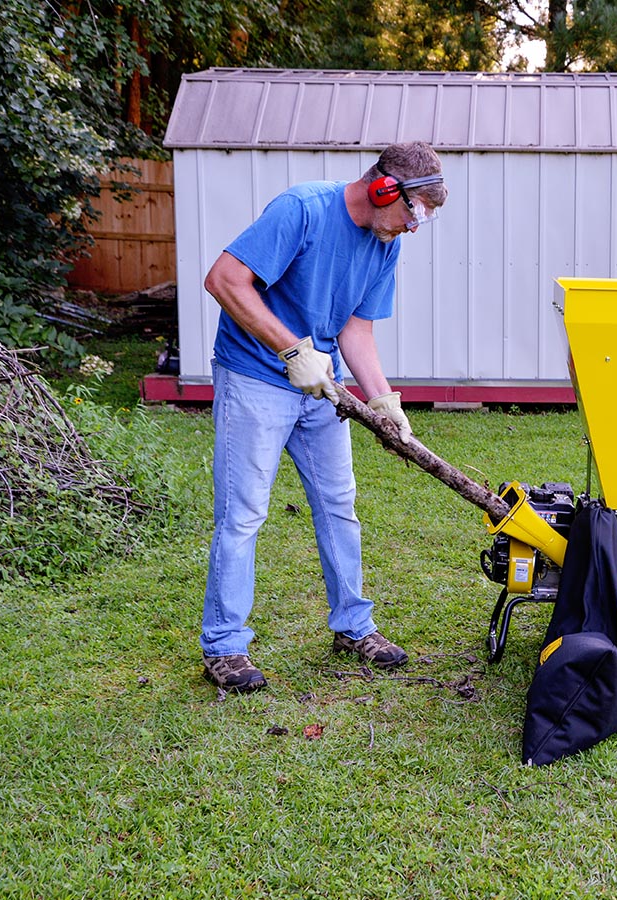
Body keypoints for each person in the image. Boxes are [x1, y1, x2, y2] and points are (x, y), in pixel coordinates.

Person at [198, 141, 447, 693]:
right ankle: (225, 645)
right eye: (411, 213)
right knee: (243, 514)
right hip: (255, 378)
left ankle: (354, 629)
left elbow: (357, 330)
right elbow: (224, 280)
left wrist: (383, 402)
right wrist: (291, 349)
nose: (411, 228)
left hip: (321, 387)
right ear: (383, 188)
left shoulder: (385, 244)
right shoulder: (303, 210)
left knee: (339, 506)